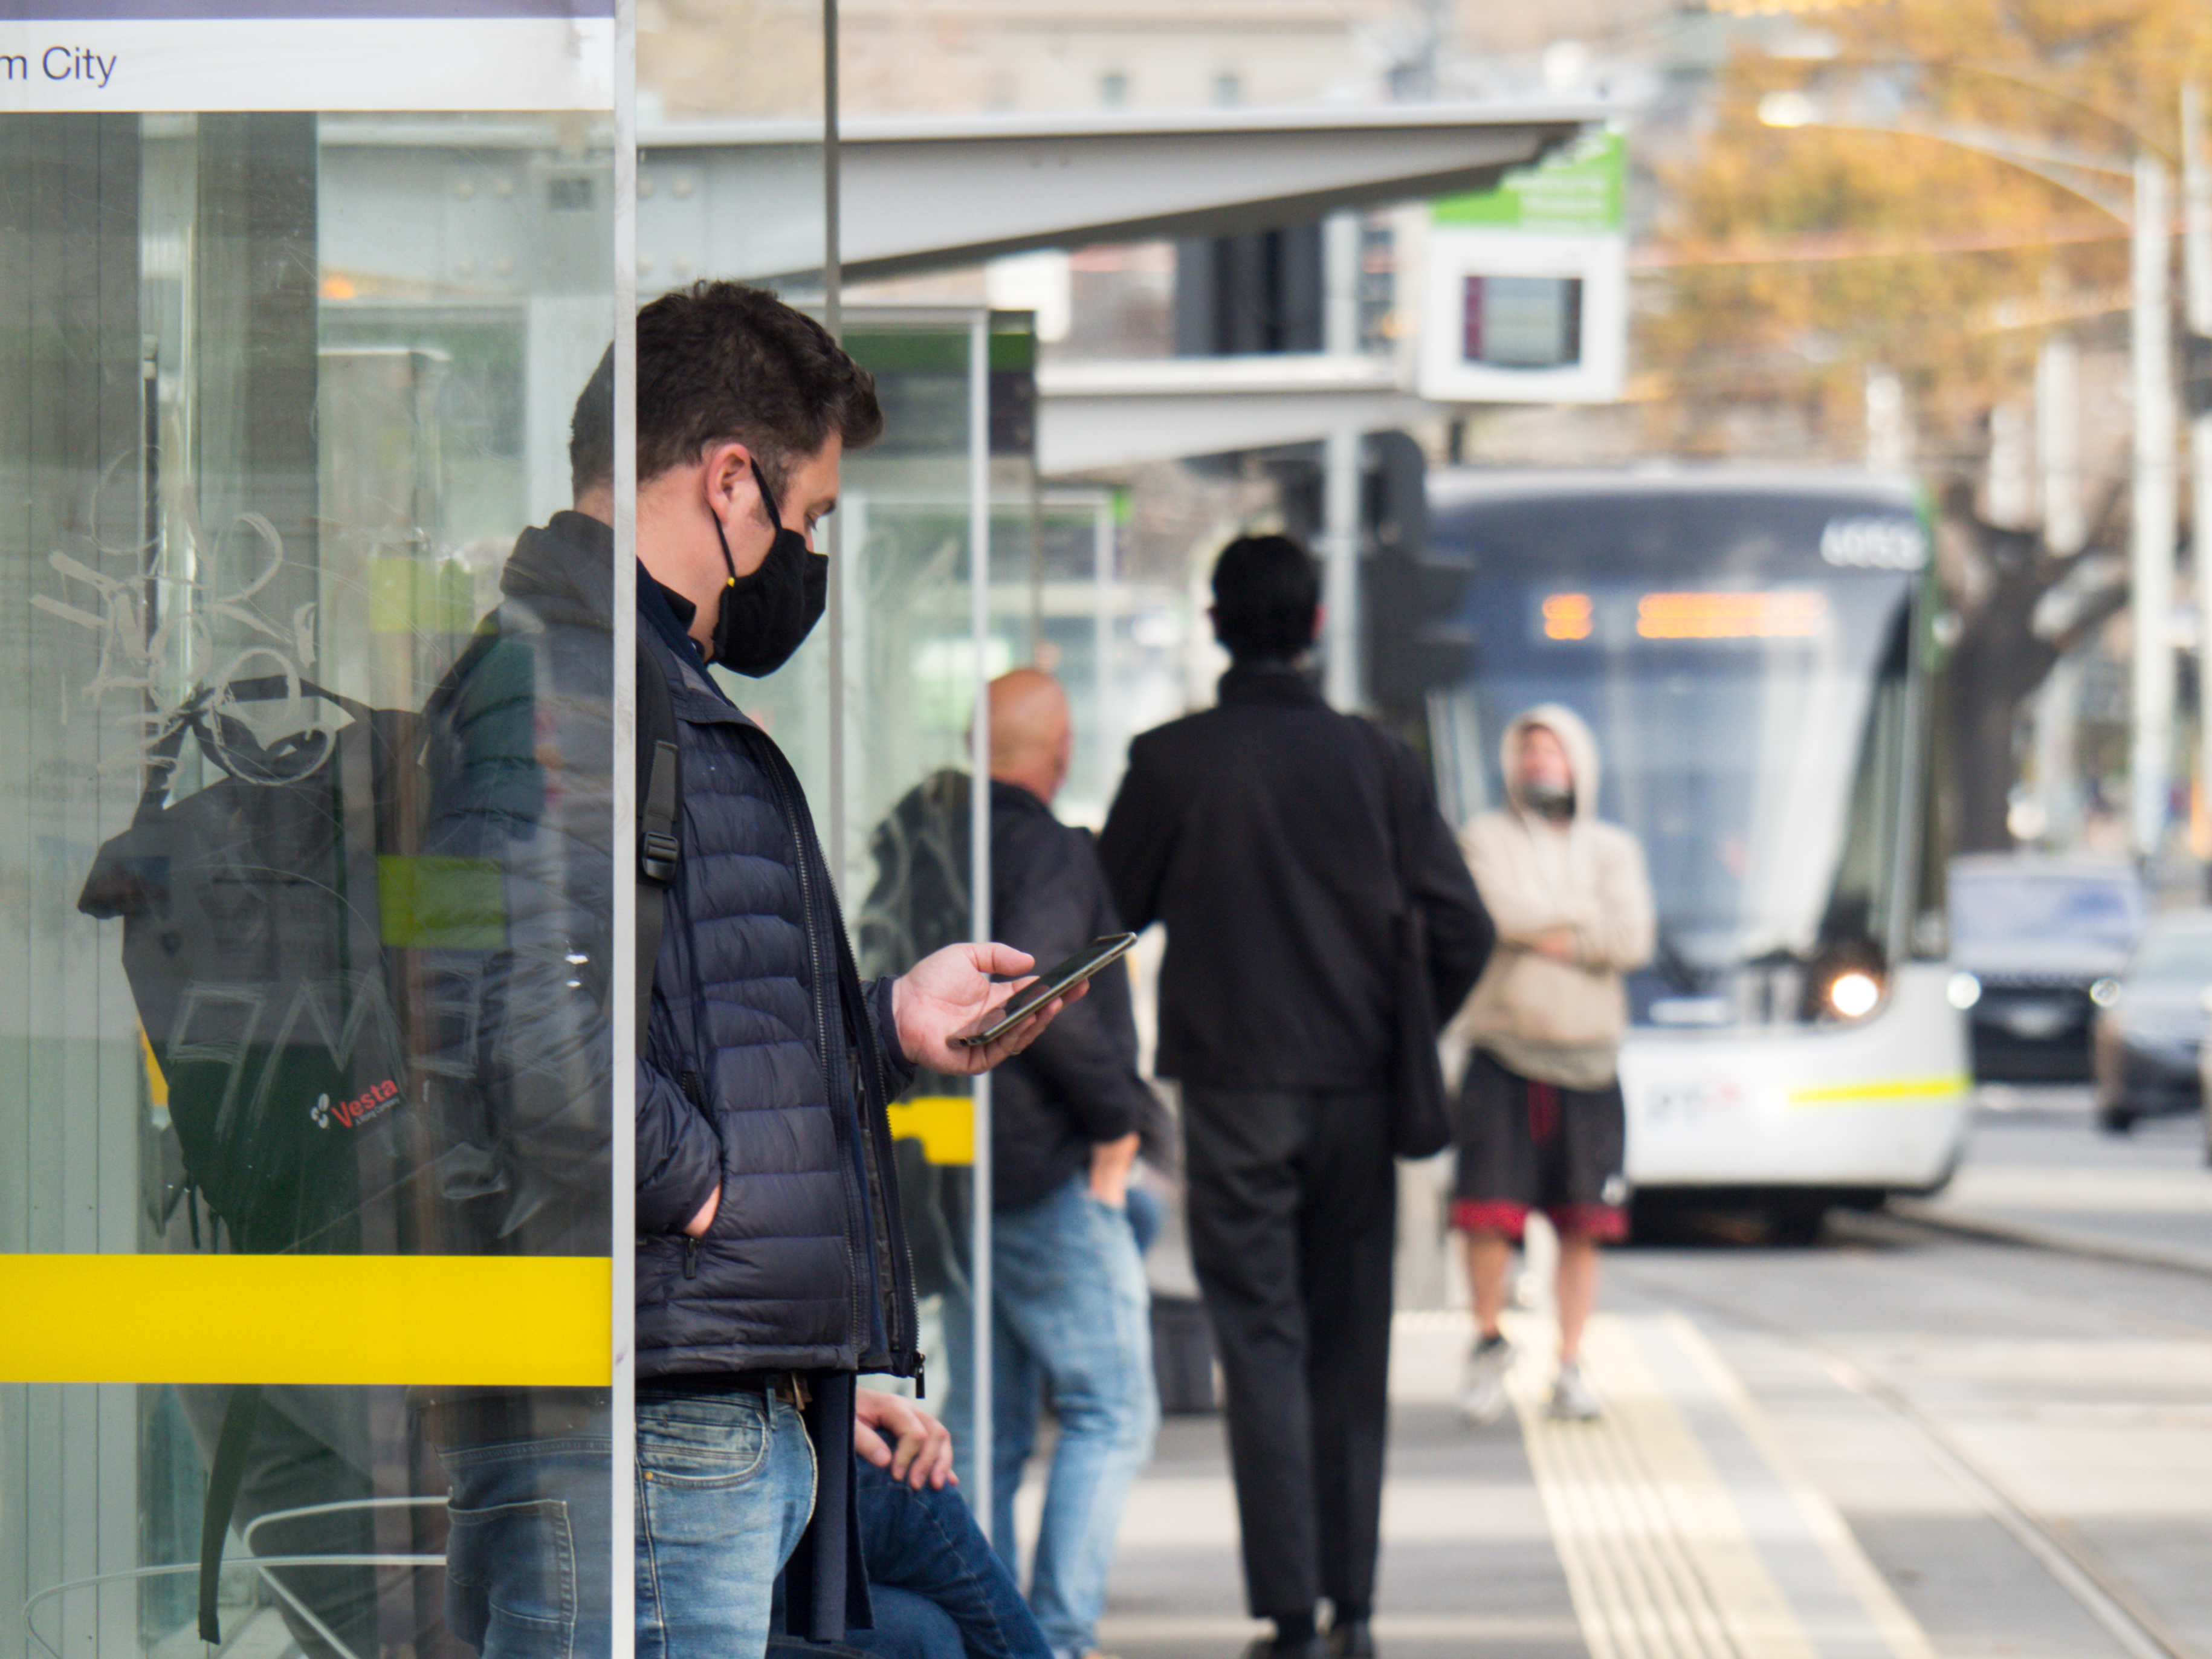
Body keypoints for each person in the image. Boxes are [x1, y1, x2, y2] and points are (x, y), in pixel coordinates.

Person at [419, 282, 1079, 1659]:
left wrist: (884, 1026)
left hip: (703, 1394)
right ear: (730, 480)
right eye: (808, 513)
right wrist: (696, 1184)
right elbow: (508, 1015)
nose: (803, 551)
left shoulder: (636, 679)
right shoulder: (568, 681)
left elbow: (668, 1011)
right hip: (654, 1406)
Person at [1096, 535, 1493, 1659]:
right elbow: (1466, 926)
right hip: (1361, 1091)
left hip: (1232, 1093)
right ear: (1316, 627)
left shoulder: (1174, 762)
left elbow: (1100, 922)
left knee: (1260, 1341)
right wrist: (1408, 1021)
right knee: (1348, 1342)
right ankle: (1356, 1607)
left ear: (1218, 626)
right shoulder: (1378, 762)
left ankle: (1287, 1612)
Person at [945, 667, 1164, 1659]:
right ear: (1061, 751)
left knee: (986, 1427)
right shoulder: (1048, 849)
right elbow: (1037, 994)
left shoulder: (931, 836)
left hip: (955, 1176)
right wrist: (1121, 1122)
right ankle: (1055, 1640)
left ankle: (988, 1637)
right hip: (1040, 1168)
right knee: (1112, 1404)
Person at [1447, 705, 1653, 1426]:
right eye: (1529, 750)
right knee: (1485, 1218)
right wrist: (1578, 919)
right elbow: (1496, 912)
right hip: (1503, 1057)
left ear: (1579, 763)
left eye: (1554, 752)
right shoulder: (1484, 838)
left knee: (1583, 1224)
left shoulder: (1614, 850)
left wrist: (1549, 920)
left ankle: (1569, 1364)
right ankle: (1486, 1343)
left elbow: (1632, 937)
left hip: (1591, 1066)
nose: (1541, 764)